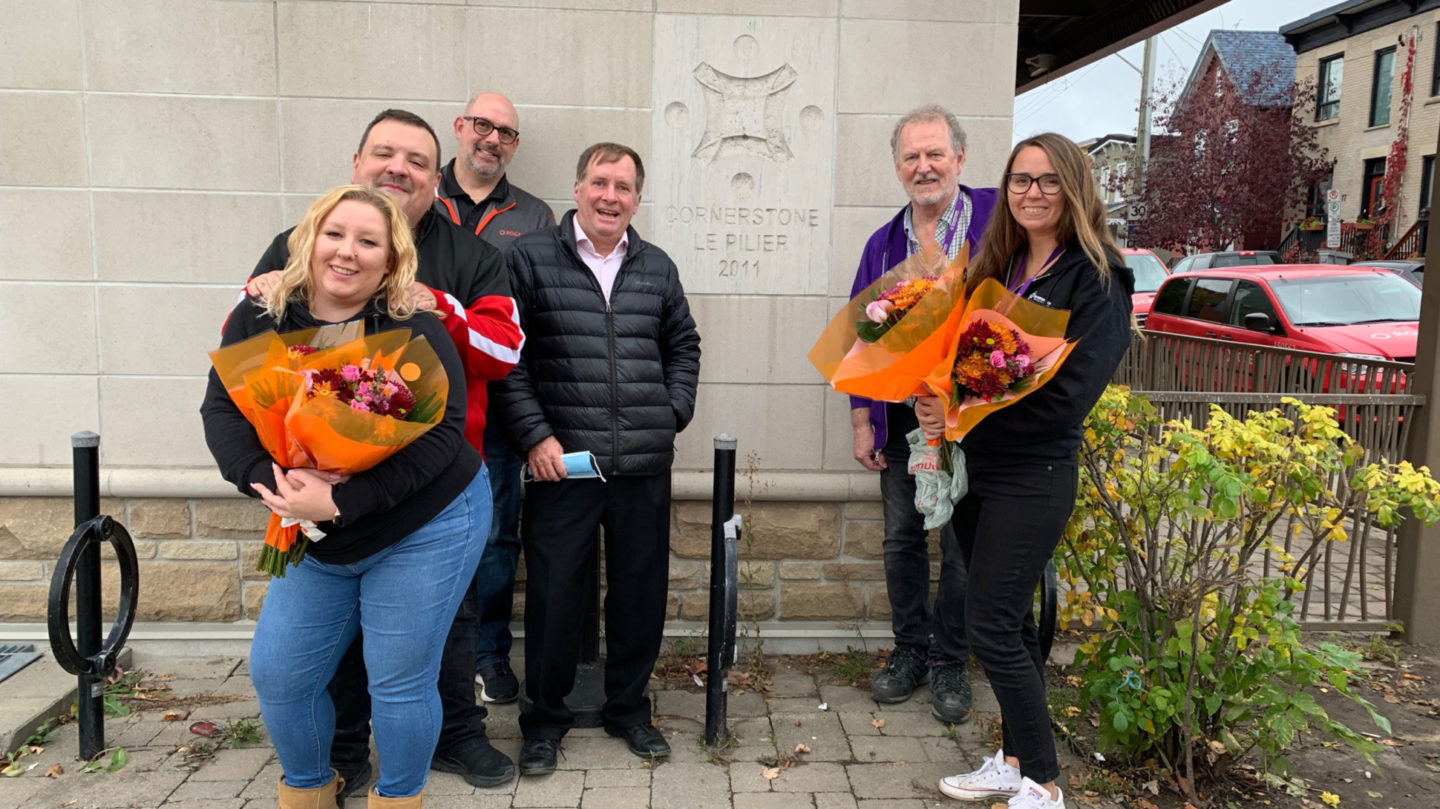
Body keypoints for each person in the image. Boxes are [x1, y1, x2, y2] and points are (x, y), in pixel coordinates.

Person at [245, 109, 524, 791]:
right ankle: (342, 753)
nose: (398, 169)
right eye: (383, 154)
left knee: (441, 625)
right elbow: (252, 357)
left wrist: (441, 307)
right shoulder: (299, 241)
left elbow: (505, 352)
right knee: (324, 639)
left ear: (437, 179)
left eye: (415, 162)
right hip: (319, 483)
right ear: (356, 163)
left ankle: (455, 734)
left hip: (435, 477)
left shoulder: (474, 254)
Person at [203, 185, 496, 809]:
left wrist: (341, 503)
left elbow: (440, 435)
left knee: (398, 677)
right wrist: (273, 482)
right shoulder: (260, 317)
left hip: (427, 520)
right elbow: (222, 409)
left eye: (369, 242)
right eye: (336, 234)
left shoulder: (413, 326)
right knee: (281, 674)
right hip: (311, 528)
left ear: (391, 261)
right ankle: (308, 791)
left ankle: (397, 798)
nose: (348, 252)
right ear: (308, 239)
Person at [922, 133, 1134, 809]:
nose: (1032, 193)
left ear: (1074, 190)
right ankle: (1014, 760)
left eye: (1046, 181)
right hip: (975, 469)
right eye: (1020, 180)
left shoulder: (1098, 279)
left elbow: (1069, 396)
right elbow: (958, 359)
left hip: (1034, 472)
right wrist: (935, 398)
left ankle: (1043, 782)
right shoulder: (997, 266)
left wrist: (961, 409)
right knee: (1009, 624)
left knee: (988, 622)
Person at [496, 142, 701, 776]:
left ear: (637, 198)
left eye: (624, 187)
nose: (611, 196)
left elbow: (684, 344)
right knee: (556, 597)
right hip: (564, 465)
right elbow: (509, 359)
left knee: (640, 595)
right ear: (578, 187)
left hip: (642, 461)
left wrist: (672, 412)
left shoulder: (656, 266)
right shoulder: (529, 259)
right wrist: (535, 437)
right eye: (600, 182)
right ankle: (545, 722)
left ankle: (629, 712)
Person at [849, 105, 997, 723]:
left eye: (935, 153)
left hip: (980, 413)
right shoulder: (884, 245)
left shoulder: (998, 220)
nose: (924, 166)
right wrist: (863, 419)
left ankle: (948, 661)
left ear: (960, 159)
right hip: (906, 420)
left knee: (964, 547)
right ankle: (909, 650)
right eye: (911, 156)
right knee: (902, 538)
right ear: (897, 166)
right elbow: (859, 337)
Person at [434, 91, 555, 705]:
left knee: (495, 536)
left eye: (506, 132)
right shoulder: (415, 201)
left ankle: (487, 655)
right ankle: (426, 654)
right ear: (459, 128)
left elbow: (540, 317)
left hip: (498, 406)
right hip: (410, 406)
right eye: (482, 125)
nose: (492, 139)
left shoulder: (534, 216)